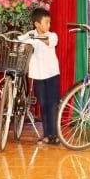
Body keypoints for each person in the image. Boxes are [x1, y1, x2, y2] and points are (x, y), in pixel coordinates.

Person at [25, 8, 60, 145]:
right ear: (37, 24)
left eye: (49, 22)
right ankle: (47, 135)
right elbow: (20, 40)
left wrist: (33, 38)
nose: (48, 25)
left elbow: (48, 41)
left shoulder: (52, 35)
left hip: (52, 74)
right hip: (37, 74)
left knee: (54, 105)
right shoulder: (30, 35)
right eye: (46, 22)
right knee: (44, 105)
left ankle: (55, 135)